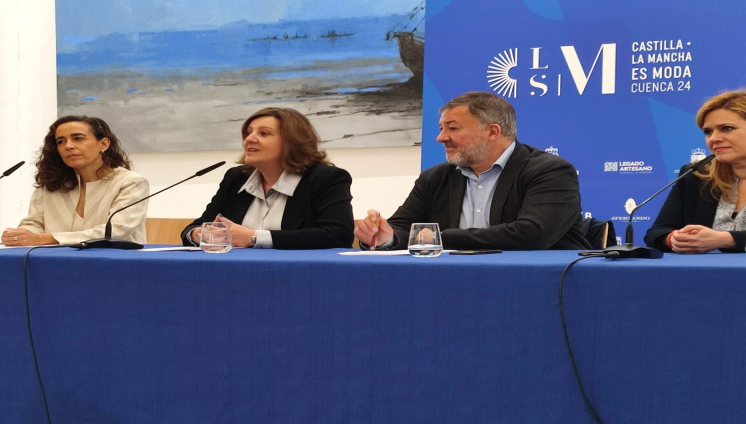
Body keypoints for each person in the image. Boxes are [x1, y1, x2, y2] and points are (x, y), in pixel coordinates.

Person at [354, 91, 590, 251]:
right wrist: (384, 237)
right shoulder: (436, 178)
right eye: (441, 128)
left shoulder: (550, 171)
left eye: (453, 128)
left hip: (542, 284)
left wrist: (439, 238)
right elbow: (403, 228)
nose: (440, 138)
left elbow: (533, 234)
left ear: (492, 132)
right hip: (455, 281)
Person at [645, 89, 746, 253]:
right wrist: (674, 239)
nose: (713, 138)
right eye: (708, 132)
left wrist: (726, 240)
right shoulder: (697, 175)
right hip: (702, 269)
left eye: (726, 128)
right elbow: (657, 232)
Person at [181, 107, 354, 249]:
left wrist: (253, 238)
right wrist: (200, 234)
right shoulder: (236, 178)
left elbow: (337, 235)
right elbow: (197, 226)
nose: (249, 139)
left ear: (292, 142)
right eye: (248, 133)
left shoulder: (325, 178)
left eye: (264, 133)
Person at [1, 116, 149, 246]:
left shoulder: (130, 182)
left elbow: (115, 232)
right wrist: (20, 235)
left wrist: (45, 239)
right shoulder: (51, 183)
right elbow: (34, 224)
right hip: (54, 263)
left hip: (115, 262)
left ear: (103, 144)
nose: (68, 146)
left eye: (78, 138)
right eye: (60, 141)